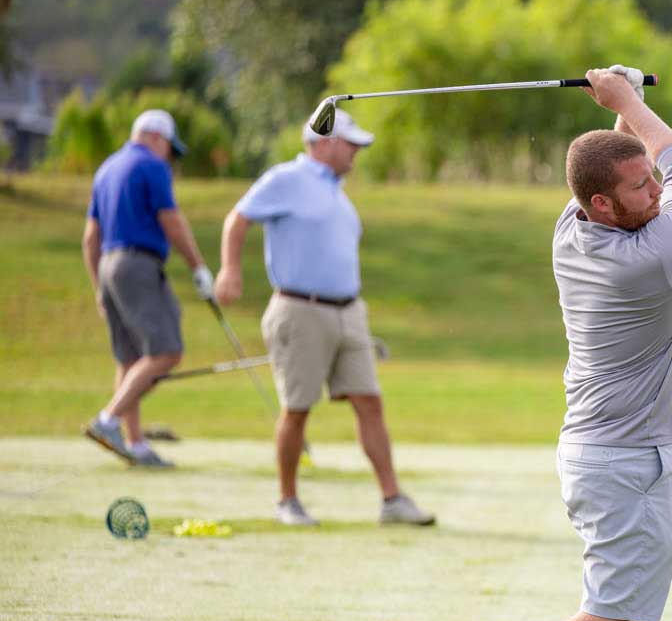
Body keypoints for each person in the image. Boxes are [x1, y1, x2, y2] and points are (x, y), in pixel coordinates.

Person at [447, 65, 672, 621]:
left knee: (629, 609)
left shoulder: (573, 228)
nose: (656, 191)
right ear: (603, 205)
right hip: (625, 460)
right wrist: (629, 103)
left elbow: (617, 163)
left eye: (651, 183)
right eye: (641, 188)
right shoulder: (655, 260)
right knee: (616, 611)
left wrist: (623, 109)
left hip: (620, 452)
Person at [212, 109, 432, 528]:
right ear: (326, 141)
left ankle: (392, 500)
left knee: (370, 403)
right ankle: (287, 501)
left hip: (349, 311)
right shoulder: (286, 179)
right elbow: (237, 219)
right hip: (300, 310)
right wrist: (230, 270)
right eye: (351, 144)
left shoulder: (337, 193)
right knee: (297, 409)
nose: (356, 153)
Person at [83, 109, 215, 469]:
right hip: (138, 264)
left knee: (129, 359)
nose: (169, 156)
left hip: (108, 264)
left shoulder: (107, 168)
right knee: (166, 352)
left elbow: (90, 237)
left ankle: (135, 443)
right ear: (157, 137)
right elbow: (171, 220)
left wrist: (99, 287)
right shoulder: (152, 166)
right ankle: (108, 421)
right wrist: (198, 267)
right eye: (170, 148)